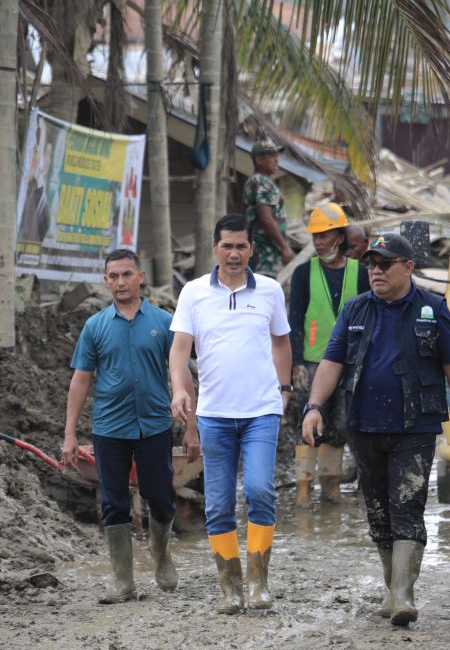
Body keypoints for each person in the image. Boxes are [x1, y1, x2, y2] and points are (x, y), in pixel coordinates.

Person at [301, 233, 450, 627]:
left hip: (414, 426)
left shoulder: (432, 309)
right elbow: (331, 363)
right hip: (363, 425)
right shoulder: (355, 310)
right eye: (371, 264)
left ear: (409, 268)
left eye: (385, 264)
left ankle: (403, 593)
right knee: (379, 512)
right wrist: (313, 407)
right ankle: (392, 585)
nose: (376, 271)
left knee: (408, 505)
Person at [169, 214, 291, 613]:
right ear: (214, 248)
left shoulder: (270, 291)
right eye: (227, 246)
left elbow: (281, 343)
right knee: (218, 503)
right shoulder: (193, 293)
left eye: (242, 246)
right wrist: (180, 391)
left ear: (251, 249)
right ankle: (229, 587)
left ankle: (258, 583)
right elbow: (180, 350)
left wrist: (284, 389)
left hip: (261, 411)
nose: (235, 253)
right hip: (214, 414)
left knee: (259, 489)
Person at [63, 249, 196, 603]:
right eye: (113, 276)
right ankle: (123, 580)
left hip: (154, 425)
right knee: (114, 503)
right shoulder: (95, 327)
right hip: (109, 428)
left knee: (161, 498)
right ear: (106, 281)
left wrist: (192, 426)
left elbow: (181, 373)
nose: (120, 282)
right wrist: (70, 433)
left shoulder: (166, 323)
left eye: (126, 274)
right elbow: (80, 381)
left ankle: (161, 552)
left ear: (140, 276)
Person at [288, 202, 368, 505]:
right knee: (307, 423)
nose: (318, 242)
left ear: (339, 236)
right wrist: (296, 363)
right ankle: (303, 490)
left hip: (349, 363)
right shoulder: (303, 274)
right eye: (315, 236)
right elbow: (294, 321)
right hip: (311, 361)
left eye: (324, 235)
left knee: (339, 426)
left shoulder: (359, 273)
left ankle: (331, 489)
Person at [243, 140, 293, 277]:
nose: (276, 160)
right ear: (259, 159)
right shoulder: (261, 181)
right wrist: (284, 247)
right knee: (264, 288)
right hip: (265, 252)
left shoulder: (260, 181)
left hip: (263, 250)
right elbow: (265, 218)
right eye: (272, 156)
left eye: (277, 156)